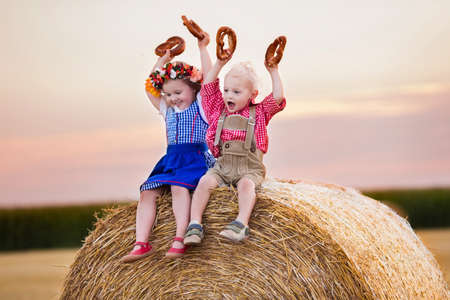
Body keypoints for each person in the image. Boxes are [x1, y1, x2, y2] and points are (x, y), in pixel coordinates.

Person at [184, 39, 286, 244]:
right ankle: (194, 224)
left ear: (253, 95)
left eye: (236, 92)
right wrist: (220, 63)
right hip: (222, 166)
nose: (229, 95)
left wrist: (273, 70)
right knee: (204, 182)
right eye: (227, 90)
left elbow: (277, 97)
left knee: (247, 186)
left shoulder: (259, 112)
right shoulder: (218, 109)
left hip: (249, 168)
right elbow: (208, 87)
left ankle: (241, 223)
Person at [121, 48, 214, 262]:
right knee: (147, 191)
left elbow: (209, 79)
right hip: (171, 160)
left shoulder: (201, 106)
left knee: (178, 187)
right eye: (168, 94)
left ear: (194, 89)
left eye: (178, 93)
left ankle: (180, 238)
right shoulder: (167, 109)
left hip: (195, 158)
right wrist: (163, 60)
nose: (172, 98)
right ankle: (141, 243)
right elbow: (150, 88)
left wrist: (202, 47)